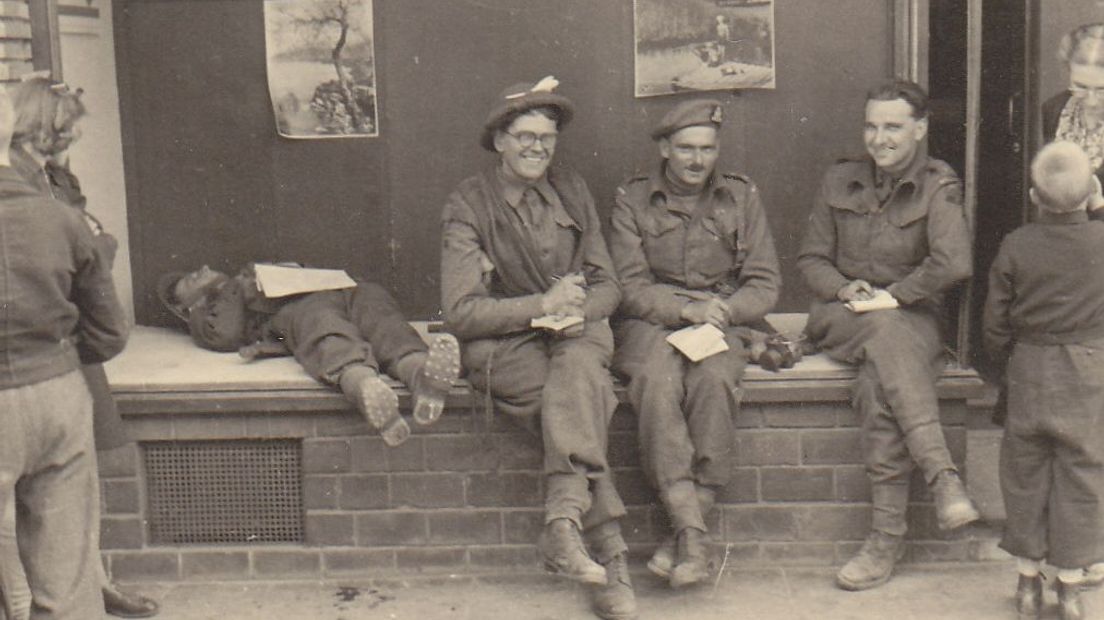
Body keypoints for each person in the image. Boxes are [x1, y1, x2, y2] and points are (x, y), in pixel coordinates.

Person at [439, 77, 634, 620]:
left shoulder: (572, 189)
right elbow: (460, 312)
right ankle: (609, 552)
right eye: (524, 136)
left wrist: (578, 308)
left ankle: (566, 527)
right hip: (509, 343)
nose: (536, 148)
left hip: (575, 333)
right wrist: (541, 304)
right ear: (498, 140)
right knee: (572, 405)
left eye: (546, 138)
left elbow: (610, 284)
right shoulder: (468, 204)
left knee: (576, 380)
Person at [797, 80, 980, 591]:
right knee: (882, 331)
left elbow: (954, 261)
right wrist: (842, 286)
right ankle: (942, 475)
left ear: (919, 129)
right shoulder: (840, 180)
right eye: (872, 126)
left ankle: (884, 540)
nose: (880, 138)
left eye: (893, 127)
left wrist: (895, 294)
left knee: (879, 387)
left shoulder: (938, 185)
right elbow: (811, 259)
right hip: (842, 314)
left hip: (910, 317)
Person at [3, 75, 159, 619]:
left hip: (51, 363)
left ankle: (81, 585)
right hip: (52, 369)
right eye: (60, 132)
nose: (63, 145)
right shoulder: (50, 207)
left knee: (61, 516)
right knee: (56, 541)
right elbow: (103, 307)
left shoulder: (60, 191)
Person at [607, 99, 780, 588]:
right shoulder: (633, 199)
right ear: (664, 148)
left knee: (715, 379)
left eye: (707, 148)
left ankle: (687, 533)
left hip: (717, 325)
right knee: (658, 385)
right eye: (685, 148)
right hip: (651, 324)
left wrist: (725, 312)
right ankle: (691, 530)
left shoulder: (741, 196)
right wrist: (686, 310)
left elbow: (764, 283)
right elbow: (630, 285)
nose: (697, 160)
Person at [983, 141, 1104, 620]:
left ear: (1034, 195)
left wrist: (1005, 362)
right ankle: (1071, 587)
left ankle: (1028, 582)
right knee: (1083, 473)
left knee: (1024, 473)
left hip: (1030, 367)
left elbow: (995, 324)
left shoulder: (1016, 244)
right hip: (1089, 370)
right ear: (1091, 192)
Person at [158, 263, 460, 446]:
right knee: (326, 329)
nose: (199, 270)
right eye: (189, 280)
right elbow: (225, 333)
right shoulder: (203, 314)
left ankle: (421, 377)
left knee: (382, 317)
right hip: (292, 313)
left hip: (335, 290)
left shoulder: (242, 276)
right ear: (186, 305)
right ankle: (365, 388)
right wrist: (233, 286)